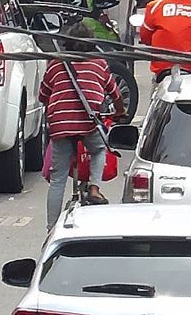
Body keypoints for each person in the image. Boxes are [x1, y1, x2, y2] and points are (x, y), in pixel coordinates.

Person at [39, 21, 126, 229]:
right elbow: (115, 94)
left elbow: (43, 95)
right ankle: (94, 189)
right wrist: (120, 112)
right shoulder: (99, 63)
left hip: (60, 125)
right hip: (88, 122)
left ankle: (51, 229)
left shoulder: (56, 63)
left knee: (58, 179)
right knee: (97, 150)